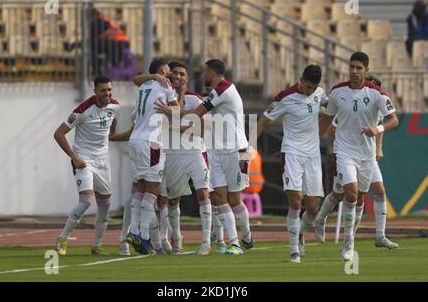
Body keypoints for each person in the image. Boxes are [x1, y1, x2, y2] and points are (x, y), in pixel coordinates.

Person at [155, 59, 252, 255]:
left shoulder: (224, 89)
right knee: (219, 197)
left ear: (211, 72)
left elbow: (197, 114)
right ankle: (234, 243)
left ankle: (247, 235)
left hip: (236, 149)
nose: (202, 76)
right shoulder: (213, 94)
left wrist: (170, 112)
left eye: (204, 72)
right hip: (216, 151)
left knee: (234, 199)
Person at [319, 52, 399, 261]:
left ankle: (325, 219)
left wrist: (378, 128)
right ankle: (348, 243)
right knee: (351, 194)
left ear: (366, 70)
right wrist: (310, 141)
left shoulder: (377, 94)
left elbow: (394, 120)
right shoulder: (338, 92)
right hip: (344, 152)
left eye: (358, 68)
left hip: (366, 156)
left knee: (360, 196)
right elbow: (327, 121)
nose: (354, 71)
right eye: (351, 67)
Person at [249, 65, 327, 263]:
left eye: (313, 88)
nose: (309, 91)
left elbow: (334, 107)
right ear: (300, 79)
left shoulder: (319, 94)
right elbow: (263, 122)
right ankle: (294, 250)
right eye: (307, 86)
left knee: (313, 208)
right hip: (291, 152)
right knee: (295, 200)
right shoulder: (285, 97)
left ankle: (301, 232)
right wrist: (248, 148)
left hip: (313, 156)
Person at [54, 75, 120, 255]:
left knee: (105, 204)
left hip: (103, 161)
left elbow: (112, 119)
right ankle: (62, 239)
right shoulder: (82, 110)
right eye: (103, 90)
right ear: (95, 91)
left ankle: (97, 246)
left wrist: (111, 135)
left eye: (109, 90)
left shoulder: (114, 105)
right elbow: (58, 134)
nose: (107, 93)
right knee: (86, 201)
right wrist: (74, 157)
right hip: (83, 160)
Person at [125, 58, 179, 255]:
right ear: (162, 70)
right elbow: (178, 111)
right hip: (151, 142)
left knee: (140, 188)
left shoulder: (145, 84)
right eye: (167, 68)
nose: (170, 71)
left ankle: (133, 230)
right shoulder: (166, 85)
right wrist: (169, 109)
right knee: (153, 189)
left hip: (135, 140)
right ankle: (144, 235)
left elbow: (135, 79)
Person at [90, 8, 130, 75]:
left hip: (116, 43)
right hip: (123, 43)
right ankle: (101, 70)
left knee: (90, 49)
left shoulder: (98, 21)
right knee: (93, 48)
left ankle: (98, 72)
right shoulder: (105, 20)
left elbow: (94, 37)